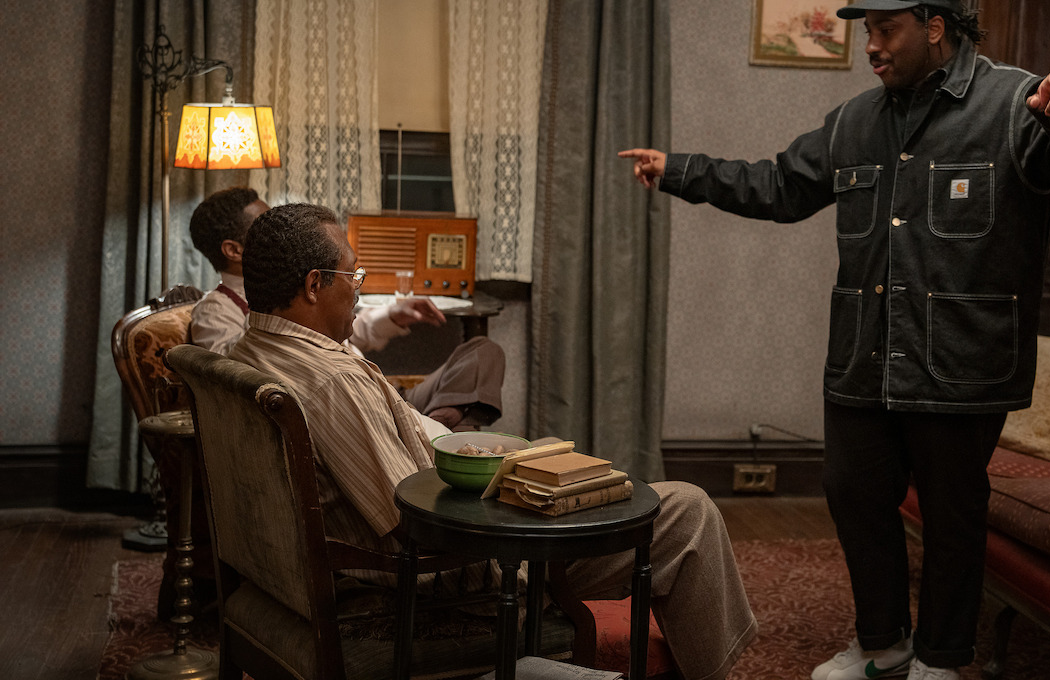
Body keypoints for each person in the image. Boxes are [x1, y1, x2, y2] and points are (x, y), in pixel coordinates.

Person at [619, 0, 1050, 680]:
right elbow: (778, 185)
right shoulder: (856, 122)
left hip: (961, 365)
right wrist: (680, 170)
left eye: (886, 29)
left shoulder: (1015, 102)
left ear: (936, 27)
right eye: (868, 31)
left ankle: (942, 656)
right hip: (864, 358)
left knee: (954, 515)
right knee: (854, 494)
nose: (872, 46)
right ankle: (884, 642)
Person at [229, 202, 758, 680]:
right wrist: (524, 496)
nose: (360, 286)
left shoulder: (247, 350)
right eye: (354, 273)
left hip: (320, 568)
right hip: (453, 574)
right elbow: (414, 520)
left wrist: (508, 457)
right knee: (686, 511)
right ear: (314, 284)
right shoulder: (328, 382)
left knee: (545, 452)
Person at [187, 187, 503, 431]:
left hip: (384, 395)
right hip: (358, 406)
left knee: (482, 352)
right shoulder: (219, 311)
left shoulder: (299, 289)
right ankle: (445, 425)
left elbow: (343, 335)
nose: (276, 233)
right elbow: (237, 380)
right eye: (262, 228)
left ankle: (440, 420)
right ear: (233, 249)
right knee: (456, 429)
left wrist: (393, 314)